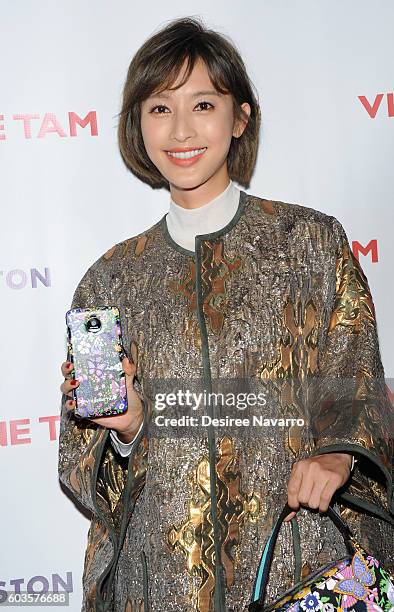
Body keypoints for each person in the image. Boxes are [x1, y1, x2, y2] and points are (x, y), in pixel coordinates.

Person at [58, 16, 394, 612]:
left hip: (296, 561)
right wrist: (132, 430)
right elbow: (84, 469)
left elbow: (356, 381)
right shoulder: (110, 280)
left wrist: (339, 453)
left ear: (240, 118)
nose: (181, 129)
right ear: (137, 125)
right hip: (164, 575)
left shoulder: (309, 244)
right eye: (159, 108)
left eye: (203, 104)